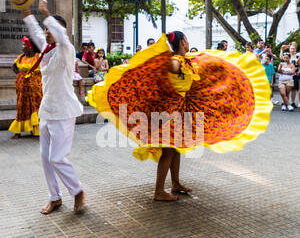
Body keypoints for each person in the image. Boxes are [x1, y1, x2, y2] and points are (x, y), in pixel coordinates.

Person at [87, 31, 272, 201]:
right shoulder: (177, 60)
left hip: (179, 109)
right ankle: (159, 191)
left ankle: (175, 183)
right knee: (168, 150)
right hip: (170, 111)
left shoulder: (188, 60)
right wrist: (163, 57)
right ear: (183, 42)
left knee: (175, 149)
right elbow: (171, 66)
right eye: (186, 40)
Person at [22, 0, 86, 215]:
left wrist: (47, 14)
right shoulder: (46, 52)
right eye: (46, 29)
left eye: (50, 29)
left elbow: (60, 36)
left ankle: (77, 192)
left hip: (64, 111)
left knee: (57, 157)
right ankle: (54, 197)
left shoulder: (66, 50)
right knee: (45, 159)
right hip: (47, 111)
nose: (46, 32)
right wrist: (26, 12)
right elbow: (38, 33)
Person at [9, 36, 42, 139]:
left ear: (30, 47)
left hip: (35, 87)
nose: (22, 46)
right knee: (21, 106)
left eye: (24, 44)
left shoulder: (38, 57)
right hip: (22, 87)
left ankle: (35, 130)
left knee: (36, 106)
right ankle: (17, 132)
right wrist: (20, 75)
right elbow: (13, 66)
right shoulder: (21, 58)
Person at [287, 44, 300, 108]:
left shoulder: (297, 56)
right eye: (291, 49)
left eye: (293, 49)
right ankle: (286, 102)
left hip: (296, 75)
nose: (292, 50)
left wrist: (299, 71)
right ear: (289, 49)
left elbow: (299, 65)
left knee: (293, 89)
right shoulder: (287, 56)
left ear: (295, 50)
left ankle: (293, 102)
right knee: (288, 89)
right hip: (288, 75)